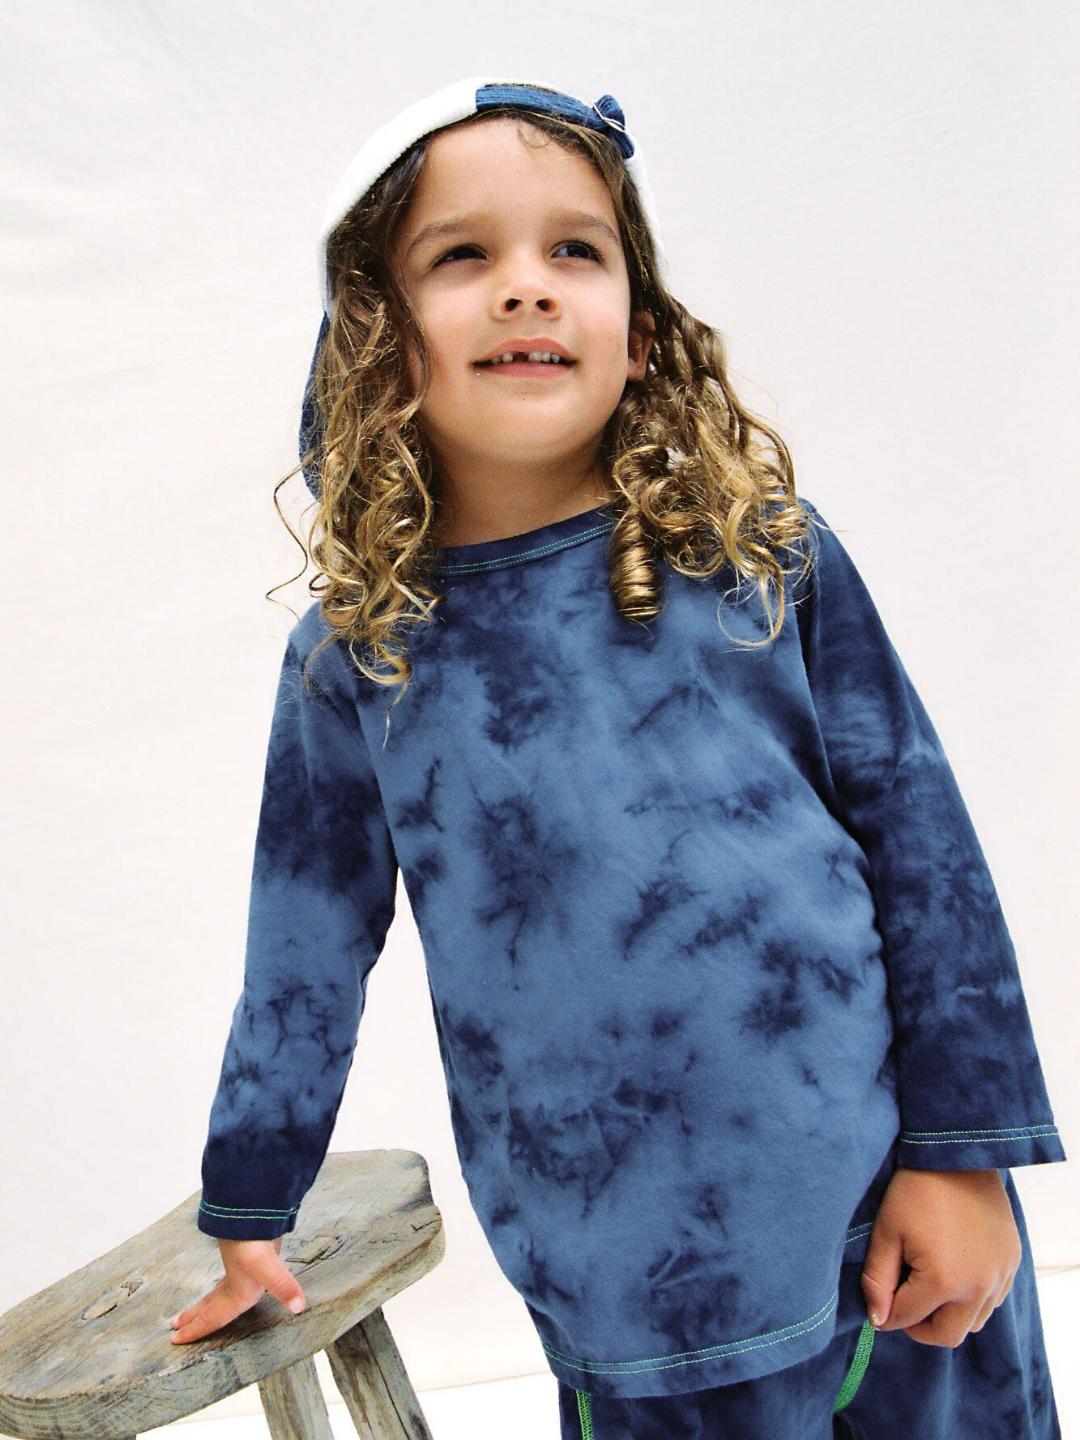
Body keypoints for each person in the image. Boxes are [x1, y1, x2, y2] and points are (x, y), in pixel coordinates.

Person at [168, 79, 1066, 1438]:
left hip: (897, 1247)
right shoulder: (364, 659)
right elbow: (303, 951)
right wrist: (249, 1202)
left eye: (573, 250)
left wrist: (966, 1159)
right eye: (463, 256)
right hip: (635, 1303)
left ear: (641, 336)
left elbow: (929, 858)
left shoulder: (766, 558)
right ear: (379, 346)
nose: (526, 288)